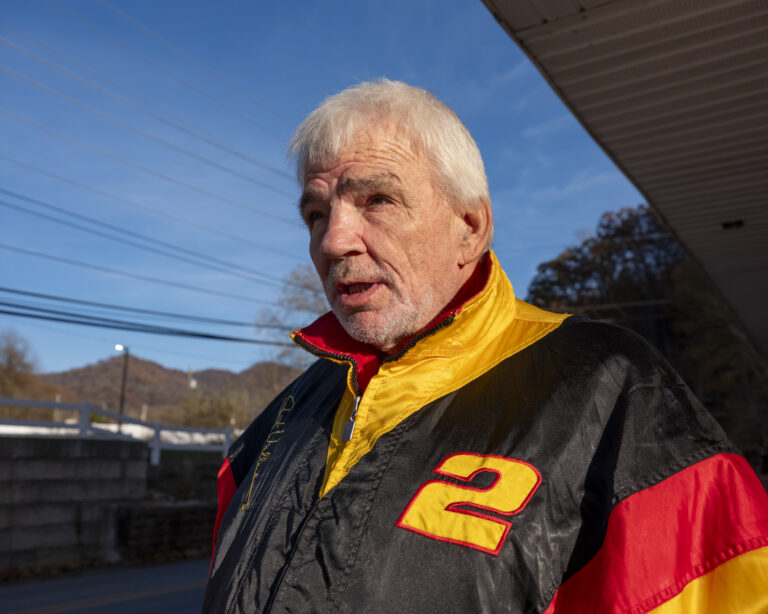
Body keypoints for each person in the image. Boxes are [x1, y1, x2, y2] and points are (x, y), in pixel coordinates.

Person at [203, 80, 768, 613]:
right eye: (316, 213)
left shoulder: (609, 386)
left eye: (376, 199)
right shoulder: (275, 426)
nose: (332, 241)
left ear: (470, 228)